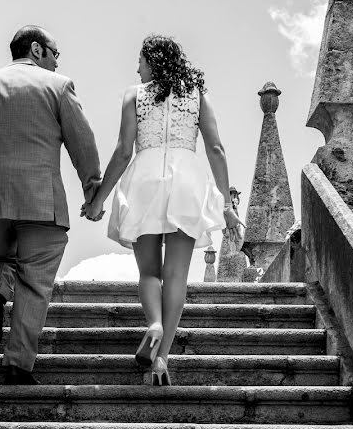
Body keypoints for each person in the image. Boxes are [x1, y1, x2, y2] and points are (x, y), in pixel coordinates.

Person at [0, 25, 103, 385]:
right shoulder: (59, 87)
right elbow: (82, 143)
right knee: (35, 282)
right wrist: (93, 191)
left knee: (3, 257)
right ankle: (15, 363)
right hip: (43, 204)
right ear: (37, 49)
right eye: (56, 53)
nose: (58, 63)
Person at [83, 35, 242, 386]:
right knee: (177, 276)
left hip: (145, 181)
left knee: (149, 273)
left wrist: (99, 199)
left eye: (140, 60)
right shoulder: (198, 94)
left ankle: (153, 323)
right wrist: (227, 205)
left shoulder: (132, 95)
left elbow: (124, 150)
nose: (136, 67)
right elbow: (216, 148)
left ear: (153, 61)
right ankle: (162, 359)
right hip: (187, 181)